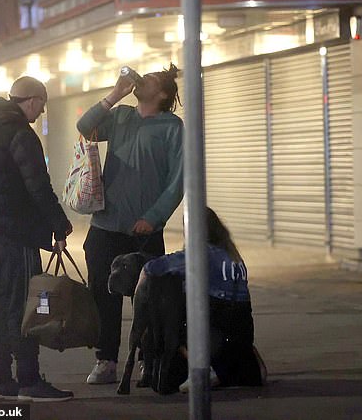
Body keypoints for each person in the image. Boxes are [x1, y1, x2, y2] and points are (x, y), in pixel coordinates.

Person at [77, 63, 184, 384]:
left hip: (144, 231)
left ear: (163, 93)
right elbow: (85, 126)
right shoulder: (121, 116)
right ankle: (106, 359)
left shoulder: (172, 128)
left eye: (149, 80)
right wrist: (115, 93)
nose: (140, 80)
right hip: (106, 224)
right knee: (102, 293)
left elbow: (178, 180)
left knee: (149, 299)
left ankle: (147, 359)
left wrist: (153, 217)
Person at [0, 76, 74, 402]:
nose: (42, 112)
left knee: (1, 307)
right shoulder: (21, 134)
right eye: (42, 105)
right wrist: (59, 225)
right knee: (27, 308)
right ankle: (29, 380)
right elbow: (38, 187)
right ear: (30, 100)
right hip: (19, 238)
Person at [142, 207, 267, 391]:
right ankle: (248, 362)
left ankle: (203, 371)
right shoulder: (233, 255)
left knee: (175, 322)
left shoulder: (202, 253)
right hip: (241, 331)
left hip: (217, 327)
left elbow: (156, 266)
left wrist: (142, 276)